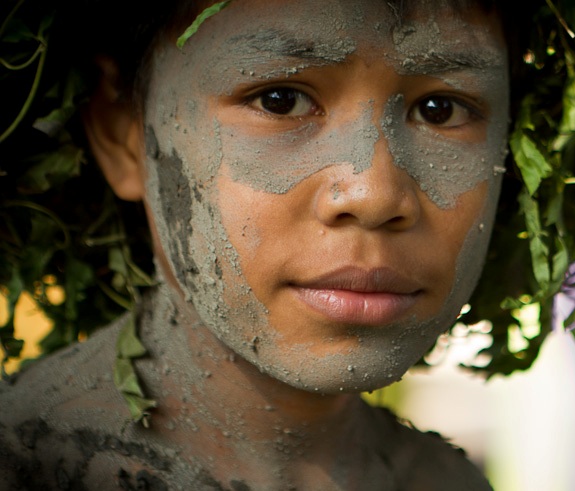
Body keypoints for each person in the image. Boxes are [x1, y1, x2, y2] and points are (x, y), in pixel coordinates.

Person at [0, 0, 509, 489]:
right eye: (279, 100)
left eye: (441, 111)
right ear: (123, 134)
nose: (374, 194)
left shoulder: (447, 480)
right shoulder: (23, 465)